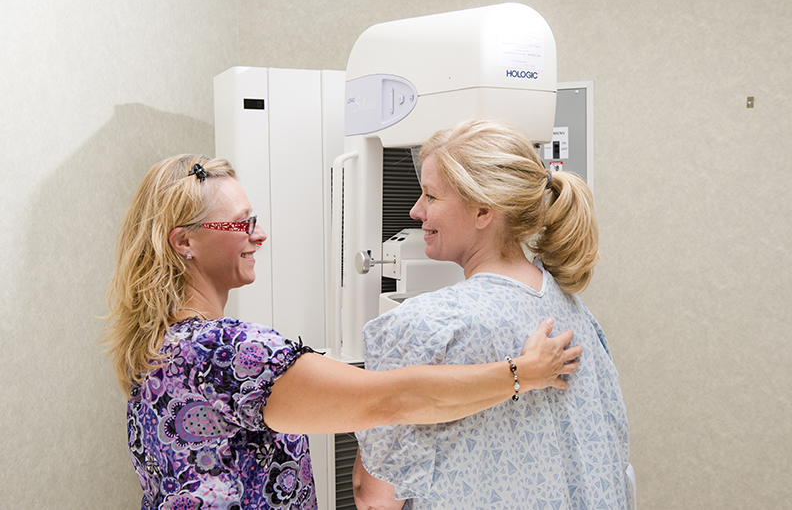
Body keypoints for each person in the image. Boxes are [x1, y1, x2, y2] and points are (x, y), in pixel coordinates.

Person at [104, 154, 583, 510]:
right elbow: (389, 402)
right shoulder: (225, 350)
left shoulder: (159, 349)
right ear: (184, 241)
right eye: (241, 223)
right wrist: (523, 373)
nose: (259, 235)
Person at [352, 119, 631, 509]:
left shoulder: (425, 327)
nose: (416, 211)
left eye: (431, 196)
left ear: (484, 210)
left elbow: (375, 496)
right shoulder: (574, 314)